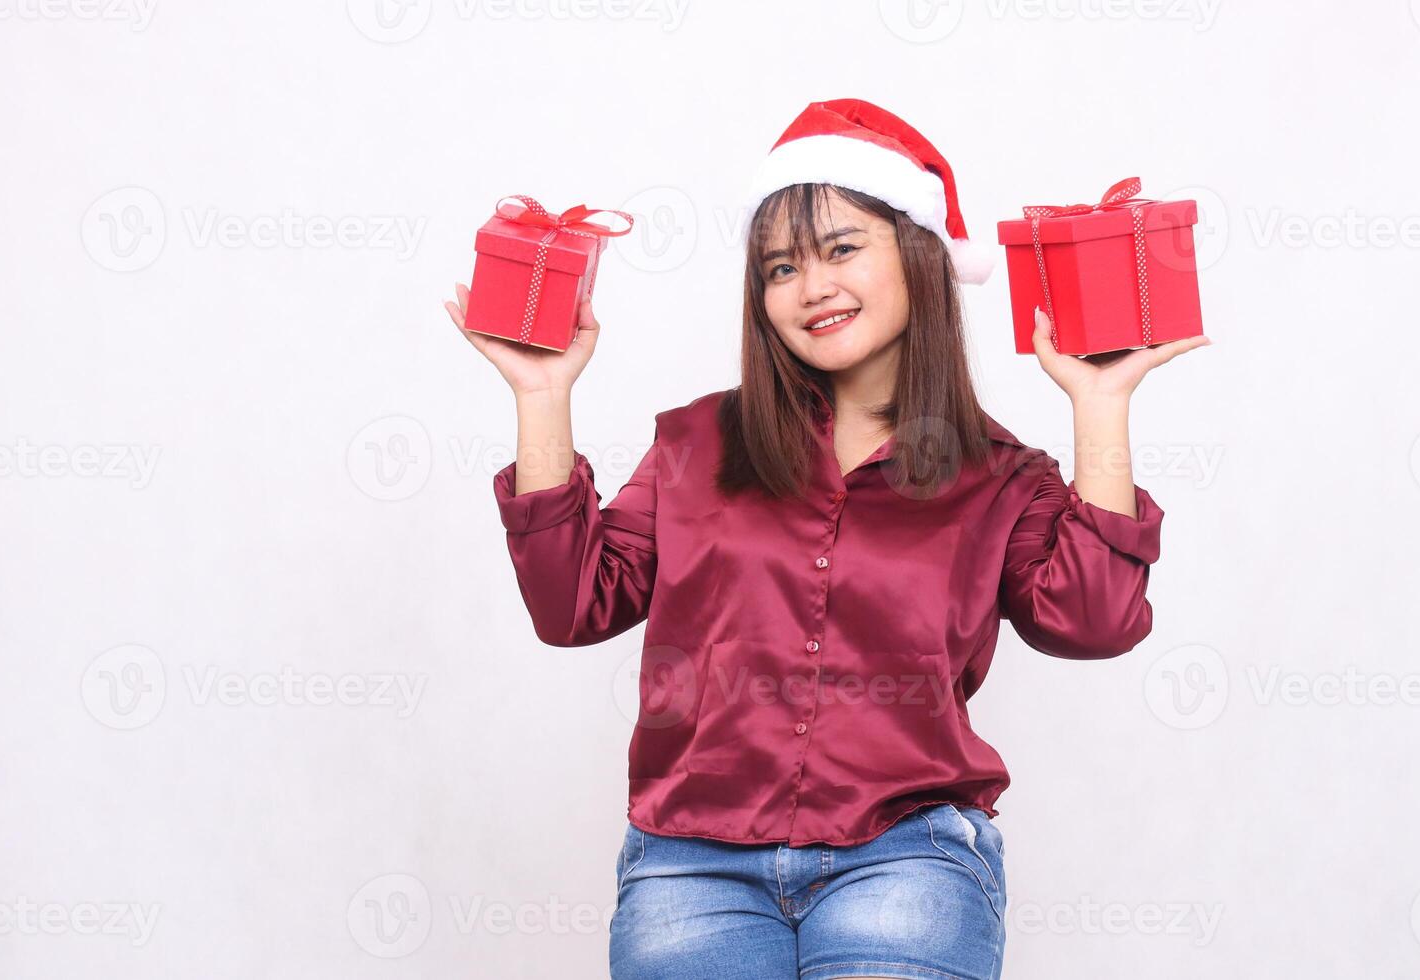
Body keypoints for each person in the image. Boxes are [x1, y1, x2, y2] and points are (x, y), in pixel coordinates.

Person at [444, 98, 1209, 980]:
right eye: (779, 268)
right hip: (690, 862)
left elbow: (1093, 622)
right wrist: (541, 398)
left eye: (842, 249)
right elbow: (572, 604)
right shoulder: (696, 445)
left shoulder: (1000, 475)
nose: (811, 289)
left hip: (906, 854)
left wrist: (1101, 407)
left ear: (917, 257)